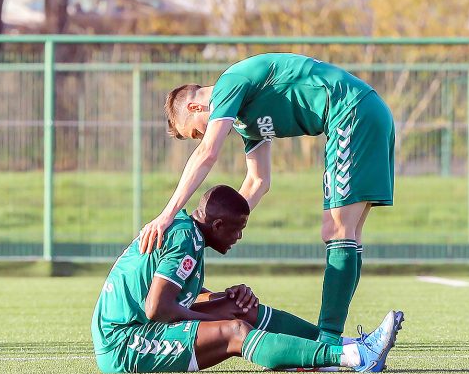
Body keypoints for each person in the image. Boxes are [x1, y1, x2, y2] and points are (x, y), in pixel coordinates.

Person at [139, 53, 396, 345]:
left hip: (351, 111)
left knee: (336, 230)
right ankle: (335, 342)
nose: (203, 135)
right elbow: (258, 182)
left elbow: (208, 152)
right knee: (349, 234)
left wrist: (167, 214)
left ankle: (328, 345)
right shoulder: (244, 120)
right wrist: (217, 231)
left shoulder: (229, 83)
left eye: (197, 130)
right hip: (366, 110)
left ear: (196, 106)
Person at [92, 185, 403, 373]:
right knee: (235, 331)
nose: (239, 236)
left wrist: (221, 299)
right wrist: (207, 320)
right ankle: (352, 356)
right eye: (236, 228)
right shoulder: (185, 240)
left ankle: (342, 345)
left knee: (241, 309)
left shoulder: (188, 232)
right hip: (124, 344)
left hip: (143, 327)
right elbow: (157, 308)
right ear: (216, 224)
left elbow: (178, 295)